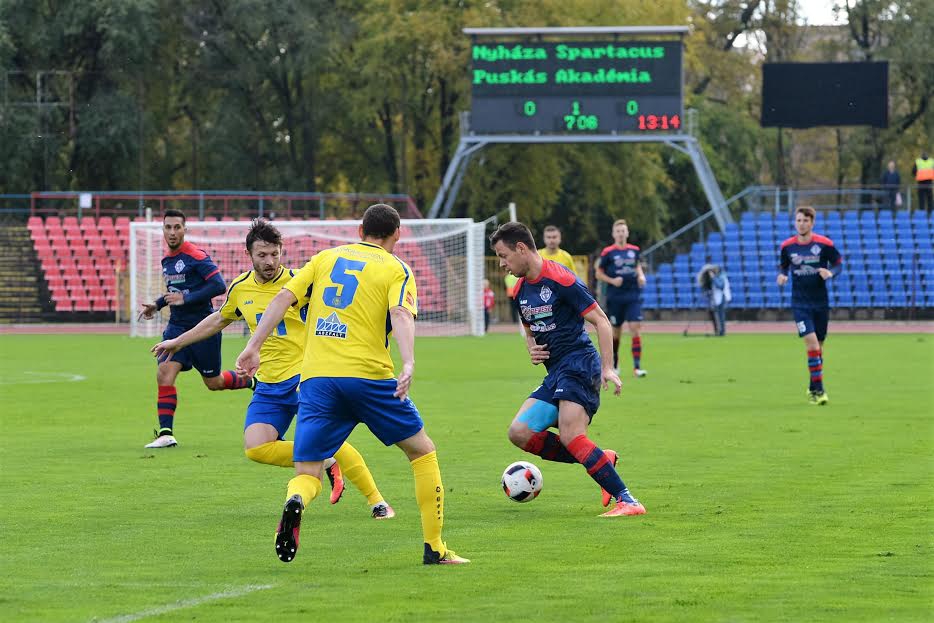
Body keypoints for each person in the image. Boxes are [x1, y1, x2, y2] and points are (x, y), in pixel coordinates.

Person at [236, 204, 468, 565]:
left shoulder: (325, 258)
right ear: (397, 234)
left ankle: (296, 499)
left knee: (307, 471)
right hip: (369, 377)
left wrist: (253, 346)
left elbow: (282, 297)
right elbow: (400, 313)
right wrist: (408, 361)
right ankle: (435, 548)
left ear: (360, 230)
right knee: (422, 452)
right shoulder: (396, 268)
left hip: (317, 379)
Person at [151, 219, 394, 517]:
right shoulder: (241, 287)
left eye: (275, 254)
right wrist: (178, 341)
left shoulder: (300, 281)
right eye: (262, 255)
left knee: (328, 438)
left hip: (306, 378)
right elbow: (220, 318)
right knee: (256, 447)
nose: (269, 261)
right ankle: (326, 460)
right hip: (268, 382)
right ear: (249, 254)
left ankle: (377, 501)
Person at [489, 221, 646, 518]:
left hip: (580, 364)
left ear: (521, 248)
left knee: (571, 435)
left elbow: (601, 321)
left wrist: (608, 368)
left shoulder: (561, 278)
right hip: (556, 372)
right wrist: (531, 348)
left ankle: (627, 500)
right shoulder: (521, 289)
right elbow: (529, 330)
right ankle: (601, 460)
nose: (502, 264)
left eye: (503, 256)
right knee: (519, 432)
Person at [137, 209, 253, 449]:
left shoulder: (196, 256)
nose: (172, 232)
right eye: (168, 227)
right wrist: (157, 305)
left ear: (184, 229)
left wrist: (186, 298)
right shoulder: (167, 260)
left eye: (176, 227)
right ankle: (166, 433)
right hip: (176, 328)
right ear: (163, 230)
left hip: (203, 329)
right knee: (164, 373)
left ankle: (253, 382)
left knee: (214, 382)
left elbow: (218, 285)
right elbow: (174, 291)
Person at [777, 206, 843, 405]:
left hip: (821, 303)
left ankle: (812, 387)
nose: (801, 224)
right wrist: (782, 275)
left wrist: (831, 273)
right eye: (798, 220)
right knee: (812, 344)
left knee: (819, 347)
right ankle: (820, 391)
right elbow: (783, 266)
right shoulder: (787, 246)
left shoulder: (824, 244)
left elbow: (838, 263)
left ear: (812, 223)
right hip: (800, 304)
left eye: (805, 221)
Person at [594, 219, 647, 377]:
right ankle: (615, 364)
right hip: (615, 297)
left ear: (627, 233)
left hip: (632, 294)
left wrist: (641, 275)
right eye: (618, 231)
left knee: (635, 328)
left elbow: (637, 265)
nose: (621, 234)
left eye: (623, 231)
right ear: (613, 234)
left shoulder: (634, 250)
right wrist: (612, 281)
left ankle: (637, 368)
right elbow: (598, 273)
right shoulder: (608, 252)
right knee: (616, 333)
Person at [698, 264, 731, 336]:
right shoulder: (715, 276)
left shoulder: (722, 276)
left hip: (721, 297)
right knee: (714, 314)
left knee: (720, 314)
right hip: (714, 298)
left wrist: (713, 278)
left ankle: (722, 331)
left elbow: (720, 286)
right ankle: (717, 330)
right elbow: (707, 286)